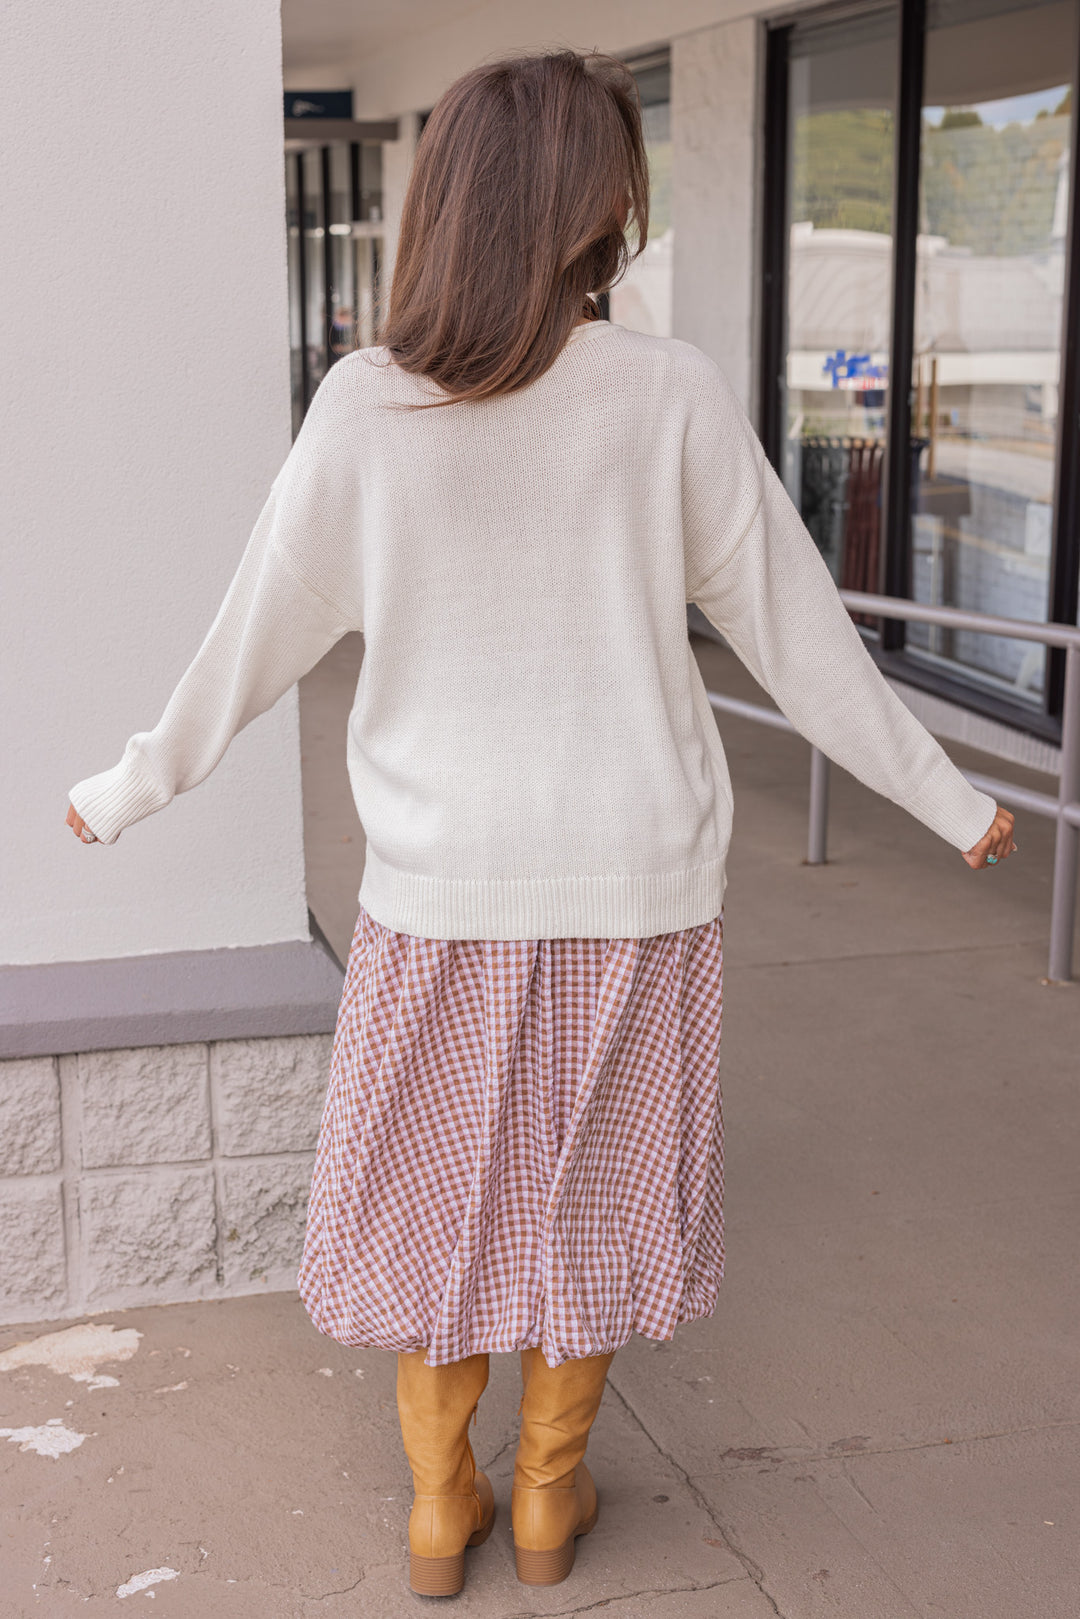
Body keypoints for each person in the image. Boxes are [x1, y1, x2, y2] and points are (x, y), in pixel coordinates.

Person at [66, 47, 1017, 1600]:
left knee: (440, 1210)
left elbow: (258, 633)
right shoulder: (669, 394)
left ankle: (443, 1510)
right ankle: (553, 1499)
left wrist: (134, 782)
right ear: (599, 207)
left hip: (441, 895)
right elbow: (797, 629)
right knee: (590, 1206)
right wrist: (948, 794)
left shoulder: (368, 408)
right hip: (638, 893)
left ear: (447, 201)